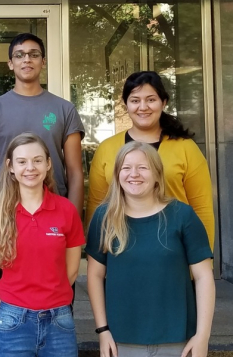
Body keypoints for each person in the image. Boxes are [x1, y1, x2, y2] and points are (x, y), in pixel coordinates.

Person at [0, 32, 85, 357]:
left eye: (33, 54)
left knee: (57, 321)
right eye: (19, 55)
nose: (26, 60)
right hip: (7, 228)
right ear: (10, 63)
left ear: (42, 61)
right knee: (1, 325)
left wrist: (69, 215)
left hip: (53, 223)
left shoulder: (62, 108)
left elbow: (74, 170)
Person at [85, 142, 215, 357]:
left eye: (142, 167)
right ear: (117, 174)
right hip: (123, 347)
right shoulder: (105, 217)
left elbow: (204, 277)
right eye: (126, 168)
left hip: (178, 346)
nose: (134, 174)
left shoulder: (182, 216)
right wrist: (102, 330)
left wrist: (203, 336)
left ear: (157, 174)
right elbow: (94, 276)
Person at [85, 70, 214, 249]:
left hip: (175, 250)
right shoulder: (107, 149)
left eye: (151, 100)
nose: (143, 107)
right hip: (121, 248)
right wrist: (97, 258)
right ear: (125, 105)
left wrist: (201, 261)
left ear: (164, 103)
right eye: (135, 100)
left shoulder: (186, 148)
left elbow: (202, 209)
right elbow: (96, 206)